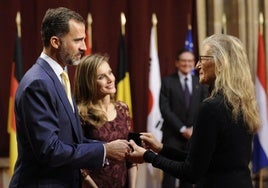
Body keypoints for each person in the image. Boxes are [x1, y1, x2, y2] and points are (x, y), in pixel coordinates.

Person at [9, 7, 131, 188]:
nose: (83, 46)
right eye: (78, 40)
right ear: (55, 42)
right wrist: (105, 150)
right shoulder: (38, 83)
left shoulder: (61, 75)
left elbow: (73, 141)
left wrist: (114, 147)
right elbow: (50, 151)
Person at [127, 34, 260, 188]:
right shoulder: (241, 103)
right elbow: (202, 159)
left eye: (202, 59)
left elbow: (190, 172)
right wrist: (160, 148)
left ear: (220, 63)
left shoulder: (211, 108)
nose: (197, 65)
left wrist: (147, 156)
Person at [74, 54, 137, 188]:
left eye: (110, 72)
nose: (110, 79)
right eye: (101, 77)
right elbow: (77, 162)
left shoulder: (123, 109)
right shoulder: (80, 114)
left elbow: (131, 157)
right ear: (88, 82)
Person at [160, 49, 208, 188]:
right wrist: (182, 129)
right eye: (184, 61)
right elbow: (165, 109)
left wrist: (194, 128)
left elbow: (204, 107)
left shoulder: (200, 82)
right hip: (172, 137)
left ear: (194, 63)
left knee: (187, 176)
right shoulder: (167, 82)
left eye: (190, 61)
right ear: (177, 63)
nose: (187, 64)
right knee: (168, 176)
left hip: (194, 137)